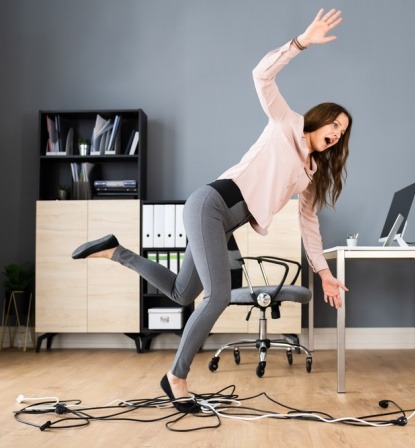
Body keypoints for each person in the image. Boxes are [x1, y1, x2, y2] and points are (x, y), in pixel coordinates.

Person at [72, 8, 352, 413]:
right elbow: (261, 76)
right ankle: (176, 377)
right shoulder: (285, 123)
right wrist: (300, 43)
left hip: (223, 222)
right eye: (335, 125)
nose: (336, 134)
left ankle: (116, 250)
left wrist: (325, 274)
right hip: (212, 203)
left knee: (183, 292)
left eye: (342, 134)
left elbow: (308, 224)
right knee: (218, 296)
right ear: (319, 118)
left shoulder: (310, 173)